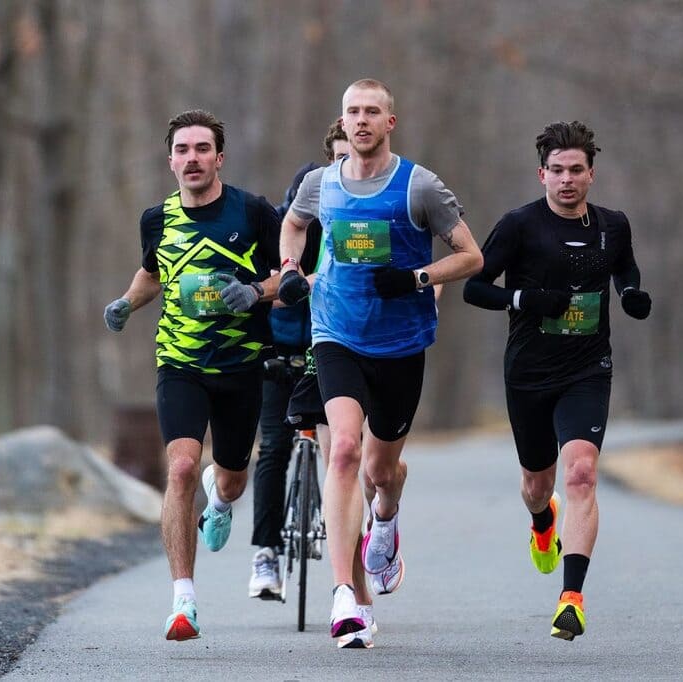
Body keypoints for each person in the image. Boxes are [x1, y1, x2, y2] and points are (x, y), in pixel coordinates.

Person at [277, 79, 483, 649]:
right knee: (343, 449)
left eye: (372, 112)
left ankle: (385, 518)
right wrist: (290, 267)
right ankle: (345, 596)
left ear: (390, 122)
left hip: (400, 345)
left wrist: (418, 277)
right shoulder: (320, 184)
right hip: (335, 332)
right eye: (353, 112)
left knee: (380, 472)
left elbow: (471, 256)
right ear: (342, 122)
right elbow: (293, 223)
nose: (362, 120)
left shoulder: (420, 186)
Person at [463, 121, 652, 641]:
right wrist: (524, 299)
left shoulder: (614, 225)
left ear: (591, 174)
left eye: (576, 170)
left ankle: (571, 599)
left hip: (587, 368)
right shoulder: (519, 225)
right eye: (557, 171)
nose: (566, 180)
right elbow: (475, 288)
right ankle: (543, 522)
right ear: (541, 174)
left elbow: (625, 268)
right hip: (529, 371)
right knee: (537, 485)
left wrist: (631, 293)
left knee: (582, 475)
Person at [103, 109, 281, 642]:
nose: (193, 158)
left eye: (203, 149)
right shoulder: (156, 219)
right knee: (181, 467)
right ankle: (184, 601)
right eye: (183, 150)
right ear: (171, 161)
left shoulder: (252, 211)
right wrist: (126, 302)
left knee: (231, 478)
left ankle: (220, 501)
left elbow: (290, 274)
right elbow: (152, 273)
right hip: (180, 361)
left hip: (242, 363)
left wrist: (255, 291)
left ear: (219, 158)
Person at [248, 121, 350, 600]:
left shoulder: (352, 223)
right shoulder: (285, 224)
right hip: (280, 351)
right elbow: (260, 288)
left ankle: (349, 562)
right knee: (273, 447)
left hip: (332, 350)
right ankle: (266, 553)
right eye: (339, 159)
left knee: (343, 453)